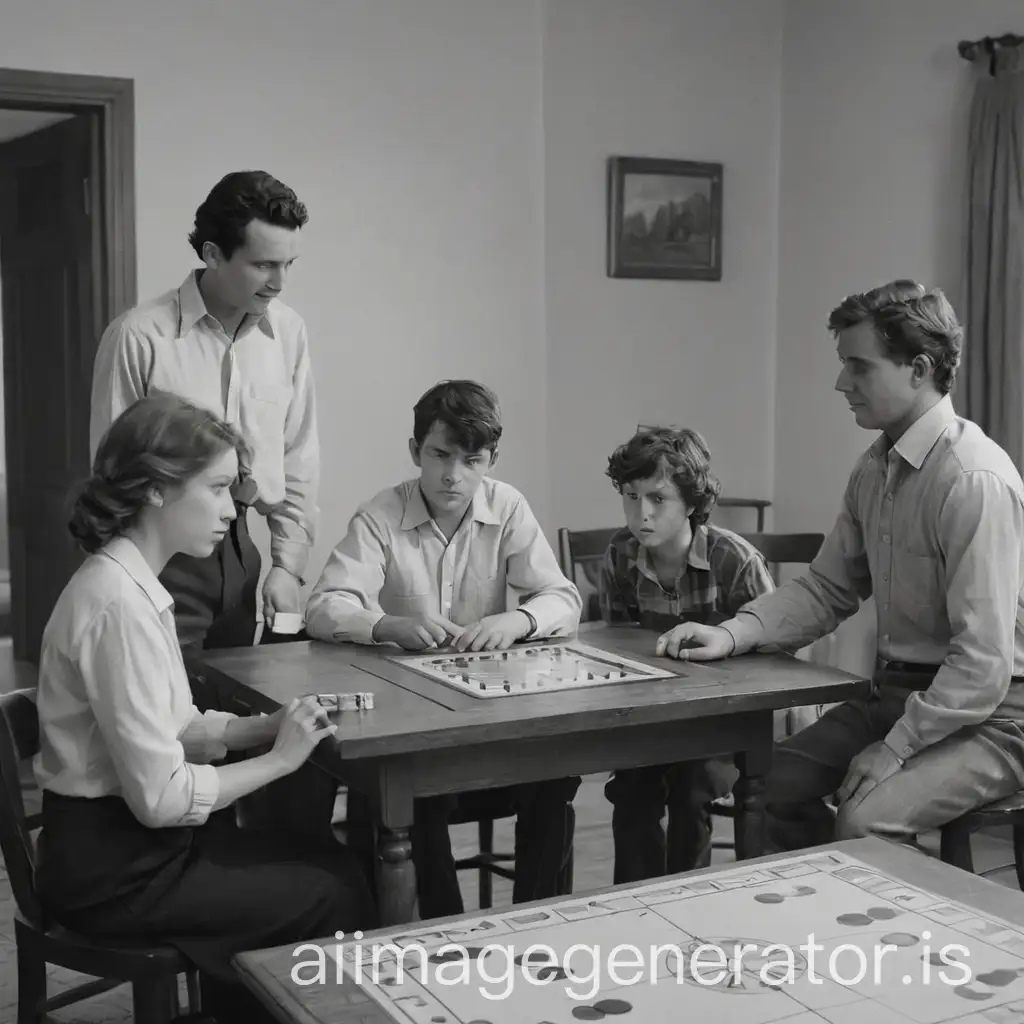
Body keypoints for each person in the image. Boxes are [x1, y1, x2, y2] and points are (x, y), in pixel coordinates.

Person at [34, 394, 376, 1024]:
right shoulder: (117, 606)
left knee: (330, 863)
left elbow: (179, 729)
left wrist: (269, 725)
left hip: (130, 847)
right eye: (219, 489)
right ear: (159, 489)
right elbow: (162, 798)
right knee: (333, 886)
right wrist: (280, 759)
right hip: (113, 872)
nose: (231, 511)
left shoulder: (132, 584)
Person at [654, 280, 1024, 852]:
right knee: (770, 786)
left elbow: (981, 666)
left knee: (864, 819)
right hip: (898, 697)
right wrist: (731, 633)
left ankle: (893, 936)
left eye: (859, 366)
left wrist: (896, 747)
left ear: (919, 368)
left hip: (994, 718)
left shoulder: (973, 480)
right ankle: (812, 932)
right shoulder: (874, 469)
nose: (840, 382)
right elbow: (827, 588)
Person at [304, 379, 583, 918]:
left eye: (471, 460)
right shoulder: (380, 515)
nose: (453, 475)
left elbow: (562, 598)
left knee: (555, 777)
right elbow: (323, 606)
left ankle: (535, 926)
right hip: (412, 726)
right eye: (439, 455)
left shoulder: (509, 508)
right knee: (413, 795)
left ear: (491, 461)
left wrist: (518, 619)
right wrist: (386, 624)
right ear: (415, 452)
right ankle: (448, 939)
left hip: (494, 719)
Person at [89, 170, 319, 672]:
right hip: (161, 555)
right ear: (213, 253)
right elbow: (112, 472)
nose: (279, 283)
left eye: (288, 264)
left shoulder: (290, 333)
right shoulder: (139, 337)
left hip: (241, 552)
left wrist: (287, 568)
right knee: (164, 720)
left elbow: (298, 455)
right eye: (263, 265)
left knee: (233, 710)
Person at [598, 426, 775, 879]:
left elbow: (775, 656)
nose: (642, 513)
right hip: (649, 719)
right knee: (632, 790)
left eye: (658, 499)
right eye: (631, 496)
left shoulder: (736, 561)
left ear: (693, 503)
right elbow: (614, 649)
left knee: (693, 786)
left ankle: (688, 901)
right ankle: (632, 905)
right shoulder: (619, 556)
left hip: (720, 723)